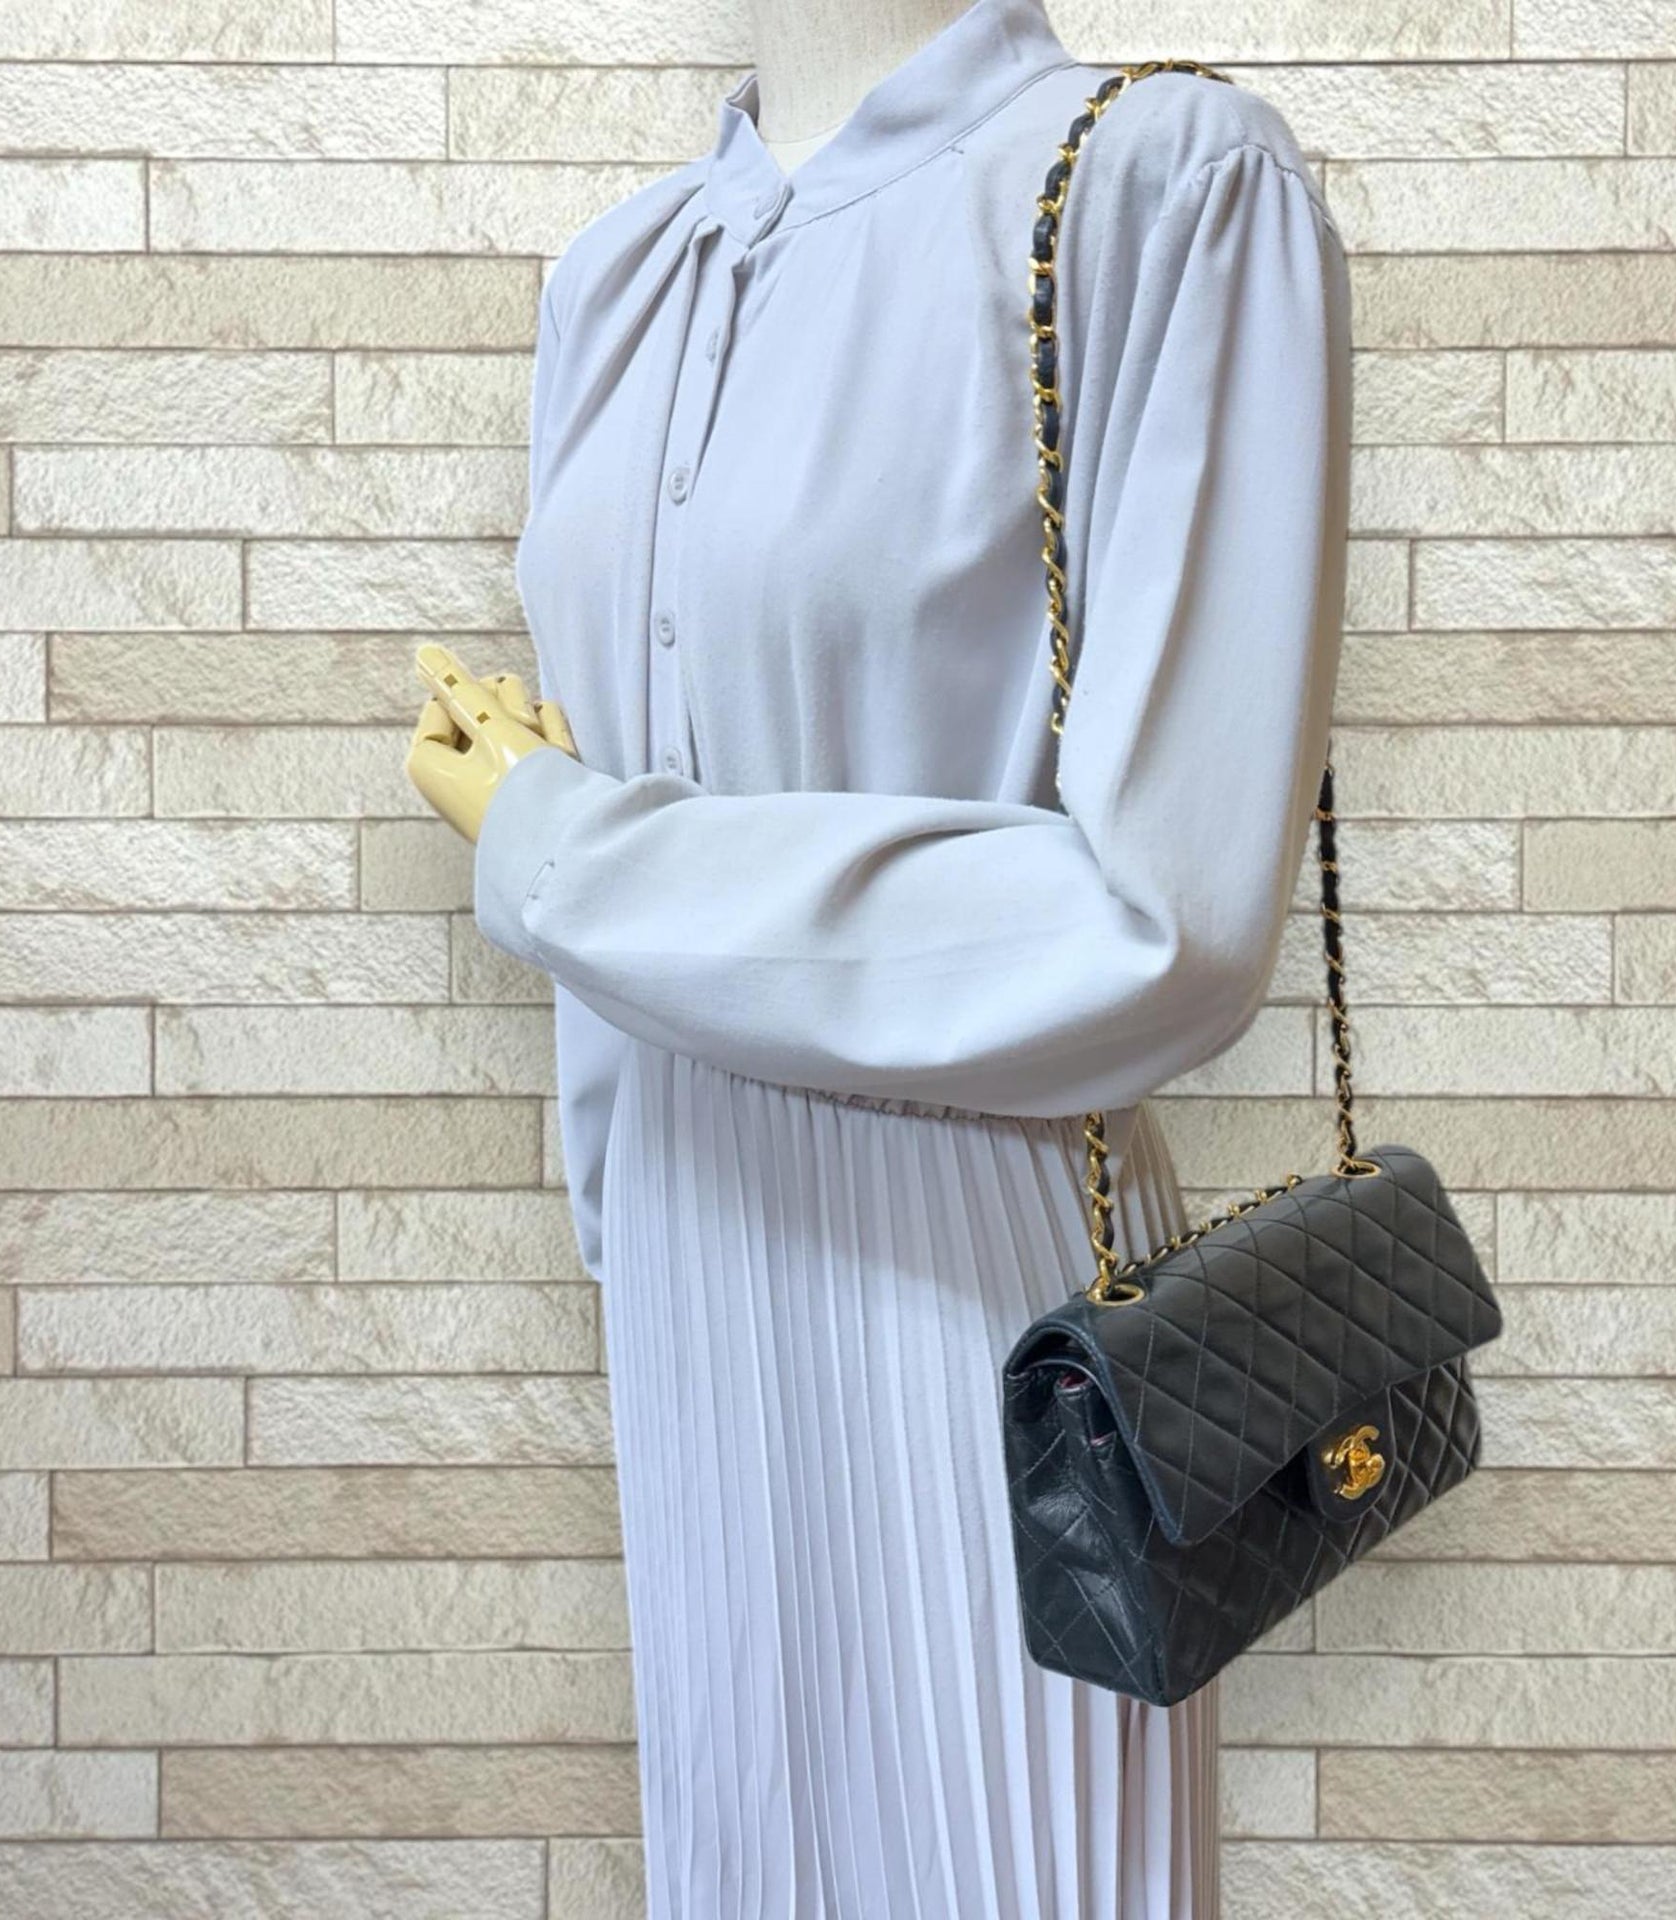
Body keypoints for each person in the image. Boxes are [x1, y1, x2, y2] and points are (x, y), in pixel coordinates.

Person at [406, 0, 1351, 1910]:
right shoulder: (618, 279)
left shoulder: (1158, 184)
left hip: (977, 1297)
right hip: (686, 1275)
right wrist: (620, 1204)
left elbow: (1166, 924)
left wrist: (564, 853)